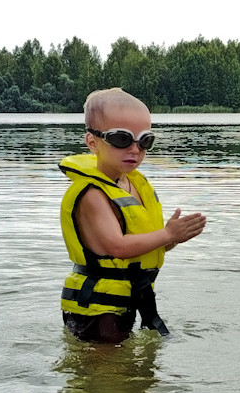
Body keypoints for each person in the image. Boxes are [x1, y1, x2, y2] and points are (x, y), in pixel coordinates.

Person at [59, 88, 206, 343]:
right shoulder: (93, 194)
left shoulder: (132, 184)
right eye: (121, 138)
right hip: (97, 309)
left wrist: (172, 238)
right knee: (107, 375)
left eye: (144, 140)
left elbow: (143, 246)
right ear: (92, 142)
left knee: (136, 378)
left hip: (127, 297)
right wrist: (167, 233)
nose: (135, 149)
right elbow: (118, 247)